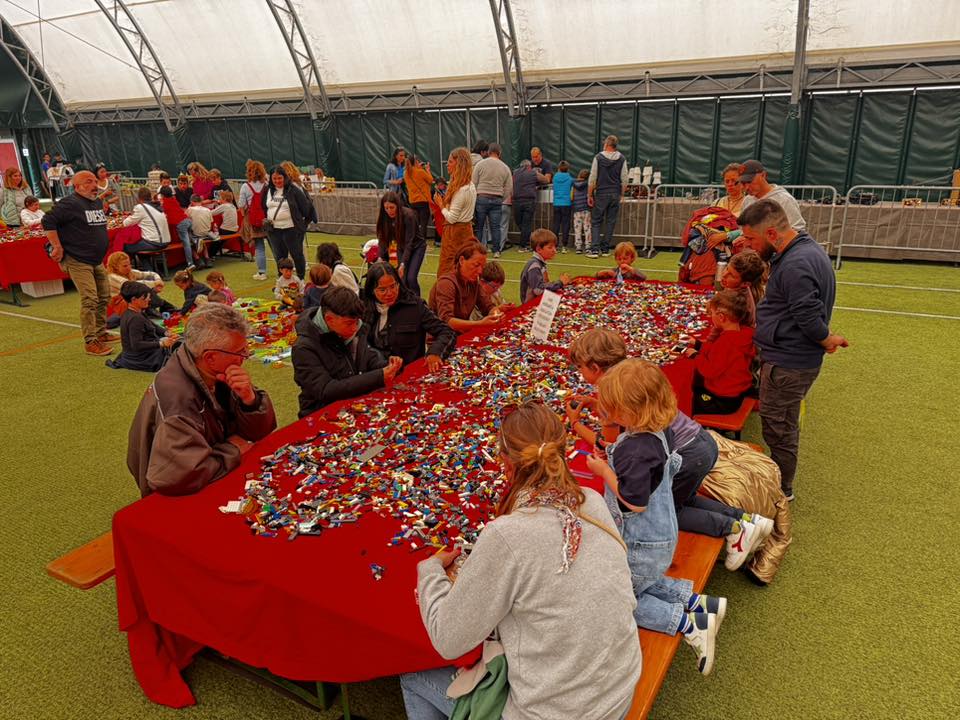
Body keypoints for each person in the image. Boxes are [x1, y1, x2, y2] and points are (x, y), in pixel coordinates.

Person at [400, 401, 640, 720]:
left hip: (559, 714)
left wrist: (429, 570)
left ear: (506, 464)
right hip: (619, 692)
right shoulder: (592, 500)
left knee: (413, 675)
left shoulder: (507, 535)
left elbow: (448, 639)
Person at [565, 329, 771, 571]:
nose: (580, 373)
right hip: (701, 441)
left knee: (668, 509)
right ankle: (747, 519)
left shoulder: (612, 392)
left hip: (687, 455)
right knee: (686, 497)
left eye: (580, 367)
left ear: (594, 367)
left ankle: (733, 530)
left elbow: (610, 445)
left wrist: (575, 424)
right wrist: (595, 404)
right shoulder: (633, 373)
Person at [586, 359, 727, 675]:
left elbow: (633, 502)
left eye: (613, 408)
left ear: (631, 412)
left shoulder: (636, 450)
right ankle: (699, 603)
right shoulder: (658, 431)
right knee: (643, 580)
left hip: (641, 540)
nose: (606, 411)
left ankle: (689, 624)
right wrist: (609, 451)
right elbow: (640, 464)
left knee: (620, 596)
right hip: (660, 534)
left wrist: (604, 470)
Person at [739, 198, 847, 500]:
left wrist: (827, 339)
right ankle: (781, 482)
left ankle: (781, 490)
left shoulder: (796, 264)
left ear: (772, 234)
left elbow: (808, 315)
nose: (748, 246)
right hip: (791, 357)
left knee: (779, 428)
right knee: (782, 423)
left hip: (788, 362)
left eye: (751, 239)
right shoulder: (804, 251)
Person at [127, 302, 277, 497]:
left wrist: (250, 400)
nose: (245, 356)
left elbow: (258, 432)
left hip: (212, 470)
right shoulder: (179, 398)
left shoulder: (212, 370)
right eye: (240, 352)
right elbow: (175, 476)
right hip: (181, 496)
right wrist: (232, 449)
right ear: (210, 357)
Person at [292, 286, 402, 417]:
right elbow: (326, 390)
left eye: (357, 321)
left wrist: (387, 366)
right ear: (329, 319)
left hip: (356, 404)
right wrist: (378, 377)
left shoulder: (352, 327)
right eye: (349, 323)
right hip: (323, 413)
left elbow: (367, 357)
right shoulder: (303, 348)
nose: (355, 327)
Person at [41, 170, 115, 356]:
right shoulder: (69, 203)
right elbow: (47, 220)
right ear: (77, 186)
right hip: (77, 259)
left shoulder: (95, 202)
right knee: (90, 298)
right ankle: (90, 341)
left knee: (104, 296)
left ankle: (100, 332)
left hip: (95, 259)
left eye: (95, 181)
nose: (95, 185)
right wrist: (56, 246)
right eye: (89, 182)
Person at [361, 262, 456, 371]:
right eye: (382, 290)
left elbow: (447, 332)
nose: (389, 293)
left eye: (393, 286)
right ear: (372, 291)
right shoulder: (363, 308)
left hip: (408, 372)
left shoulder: (415, 306)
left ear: (398, 284)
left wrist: (435, 352)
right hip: (376, 374)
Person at [684, 290, 756, 415]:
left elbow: (709, 370)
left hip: (723, 399)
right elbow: (716, 353)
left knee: (687, 399)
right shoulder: (744, 333)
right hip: (738, 391)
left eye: (712, 313)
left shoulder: (726, 342)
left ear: (721, 317)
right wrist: (699, 345)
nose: (711, 316)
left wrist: (696, 355)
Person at [429, 242, 504, 333]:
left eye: (482, 267)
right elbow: (447, 321)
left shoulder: (473, 282)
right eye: (476, 265)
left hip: (459, 334)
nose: (480, 271)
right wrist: (480, 324)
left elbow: (488, 306)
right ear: (461, 261)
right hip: (441, 337)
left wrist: (496, 314)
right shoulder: (446, 283)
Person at [106, 281, 178, 372]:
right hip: (143, 358)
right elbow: (137, 345)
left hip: (139, 354)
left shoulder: (134, 312)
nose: (149, 299)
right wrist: (162, 343)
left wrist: (166, 332)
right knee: (180, 355)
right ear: (134, 299)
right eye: (145, 297)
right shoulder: (135, 318)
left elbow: (152, 325)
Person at [261, 164, 312, 279]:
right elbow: (264, 206)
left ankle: (300, 279)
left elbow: (306, 208)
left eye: (279, 178)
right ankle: (282, 280)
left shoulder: (293, 190)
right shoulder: (267, 190)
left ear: (284, 177)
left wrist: (303, 224)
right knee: (279, 257)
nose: (277, 181)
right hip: (274, 230)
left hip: (291, 229)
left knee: (297, 255)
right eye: (274, 178)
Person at [706, 249, 766, 341]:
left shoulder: (735, 301)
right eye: (727, 268)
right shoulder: (735, 288)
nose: (724, 274)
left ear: (745, 284)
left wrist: (705, 344)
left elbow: (719, 327)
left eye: (732, 275)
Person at [435, 147, 477, 277]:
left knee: (447, 270)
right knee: (464, 269)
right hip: (466, 230)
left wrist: (441, 205)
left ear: (459, 164)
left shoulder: (462, 189)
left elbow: (452, 218)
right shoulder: (469, 186)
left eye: (450, 162)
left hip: (455, 233)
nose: (447, 164)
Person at [376, 191, 426, 296]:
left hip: (417, 247)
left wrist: (403, 263)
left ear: (397, 206)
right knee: (401, 279)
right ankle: (404, 300)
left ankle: (418, 301)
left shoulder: (409, 216)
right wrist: (380, 257)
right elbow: (382, 239)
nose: (389, 211)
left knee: (411, 278)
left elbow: (409, 242)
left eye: (392, 207)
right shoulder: (384, 217)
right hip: (401, 247)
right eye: (386, 208)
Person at [587, 135, 628, 259]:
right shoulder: (622, 158)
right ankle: (605, 249)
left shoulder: (598, 157)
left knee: (596, 221)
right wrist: (621, 194)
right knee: (610, 222)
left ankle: (594, 249)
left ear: (606, 144)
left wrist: (589, 194)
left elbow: (593, 177)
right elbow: (625, 179)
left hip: (601, 193)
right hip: (615, 193)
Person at [739, 160, 806, 232]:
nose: (746, 187)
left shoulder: (784, 200)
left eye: (749, 181)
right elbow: (743, 228)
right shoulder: (747, 200)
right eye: (743, 183)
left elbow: (797, 228)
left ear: (763, 175)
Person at [471, 142, 512, 258]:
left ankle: (478, 250)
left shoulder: (480, 164)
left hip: (481, 198)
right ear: (499, 153)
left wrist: (477, 196)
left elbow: (474, 182)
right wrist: (502, 197)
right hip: (497, 199)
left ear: (488, 152)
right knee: (495, 227)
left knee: (480, 226)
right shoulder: (505, 167)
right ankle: (496, 250)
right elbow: (509, 187)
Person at [106, 251, 177, 317]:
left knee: (145, 289)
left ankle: (157, 308)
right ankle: (162, 306)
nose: (129, 267)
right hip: (119, 306)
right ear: (115, 267)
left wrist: (158, 280)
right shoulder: (112, 277)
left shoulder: (130, 272)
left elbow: (151, 274)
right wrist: (155, 284)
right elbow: (133, 285)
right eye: (125, 266)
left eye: (130, 264)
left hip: (131, 301)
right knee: (142, 290)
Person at [519, 229, 570, 303]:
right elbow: (538, 290)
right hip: (531, 304)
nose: (554, 250)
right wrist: (560, 283)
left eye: (555, 247)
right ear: (539, 249)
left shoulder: (540, 263)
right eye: (550, 247)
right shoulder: (534, 266)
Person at [239, 159, 270, 280]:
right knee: (274, 245)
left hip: (254, 220)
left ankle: (262, 273)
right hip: (267, 218)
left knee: (259, 247)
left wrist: (246, 216)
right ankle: (281, 270)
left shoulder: (245, 186)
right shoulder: (267, 185)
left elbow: (241, 205)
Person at [122, 187, 171, 256]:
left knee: (124, 246)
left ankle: (132, 263)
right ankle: (146, 263)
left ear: (139, 198)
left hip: (154, 243)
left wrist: (124, 218)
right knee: (138, 246)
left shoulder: (141, 207)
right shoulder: (157, 206)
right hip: (166, 242)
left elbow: (126, 223)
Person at [159, 185, 196, 269]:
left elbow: (161, 211)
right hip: (187, 220)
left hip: (181, 224)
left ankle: (190, 263)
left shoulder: (164, 203)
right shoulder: (174, 200)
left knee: (186, 244)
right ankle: (195, 240)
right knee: (189, 239)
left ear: (162, 195)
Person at [403, 154, 434, 248]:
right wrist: (427, 170)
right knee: (423, 224)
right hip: (423, 200)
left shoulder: (406, 173)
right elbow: (430, 180)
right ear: (415, 162)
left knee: (415, 224)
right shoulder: (420, 172)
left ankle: (414, 242)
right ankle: (422, 244)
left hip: (413, 202)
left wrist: (418, 168)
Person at [511, 160, 542, 252]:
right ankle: (524, 244)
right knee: (526, 224)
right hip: (529, 200)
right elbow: (545, 180)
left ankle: (526, 241)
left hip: (517, 201)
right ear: (529, 166)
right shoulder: (533, 172)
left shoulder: (515, 173)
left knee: (520, 222)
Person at [186, 194, 217, 268]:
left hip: (196, 234)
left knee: (188, 241)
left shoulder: (190, 209)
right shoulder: (207, 210)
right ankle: (207, 259)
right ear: (201, 201)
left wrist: (188, 207)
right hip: (207, 234)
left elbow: (185, 219)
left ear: (192, 202)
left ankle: (198, 260)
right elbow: (211, 222)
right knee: (202, 239)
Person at [551, 160, 574, 252]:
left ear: (559, 168)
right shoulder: (570, 178)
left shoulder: (555, 177)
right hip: (566, 203)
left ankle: (555, 245)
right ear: (568, 169)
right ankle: (564, 245)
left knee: (556, 224)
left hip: (556, 203)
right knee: (566, 224)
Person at [572, 169, 591, 253]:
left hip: (576, 209)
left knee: (577, 228)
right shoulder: (588, 184)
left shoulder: (574, 184)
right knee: (587, 228)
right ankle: (588, 246)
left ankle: (578, 246)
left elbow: (572, 195)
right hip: (586, 208)